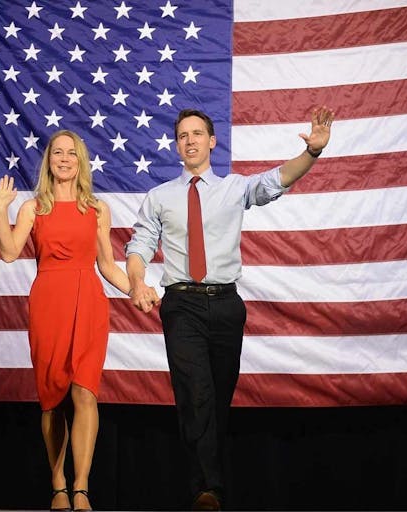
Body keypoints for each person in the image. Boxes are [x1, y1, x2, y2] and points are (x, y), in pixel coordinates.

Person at [125, 105, 335, 510]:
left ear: (212, 141)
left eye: (197, 134)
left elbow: (277, 180)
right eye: (183, 135)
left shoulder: (235, 188)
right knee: (197, 392)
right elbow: (138, 248)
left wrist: (312, 153)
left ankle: (211, 485)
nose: (190, 141)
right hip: (181, 303)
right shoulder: (159, 197)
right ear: (176, 144)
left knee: (217, 399)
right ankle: (207, 491)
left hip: (226, 306)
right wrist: (137, 281)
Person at [0, 130, 157, 511]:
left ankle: (81, 487)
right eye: (57, 153)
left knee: (85, 391)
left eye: (71, 153)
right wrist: (1, 209)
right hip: (49, 301)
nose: (64, 159)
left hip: (89, 302)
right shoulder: (34, 209)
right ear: (49, 160)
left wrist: (138, 288)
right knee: (52, 397)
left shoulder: (98, 209)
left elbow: (107, 265)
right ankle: (58, 482)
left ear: (80, 161)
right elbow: (8, 252)